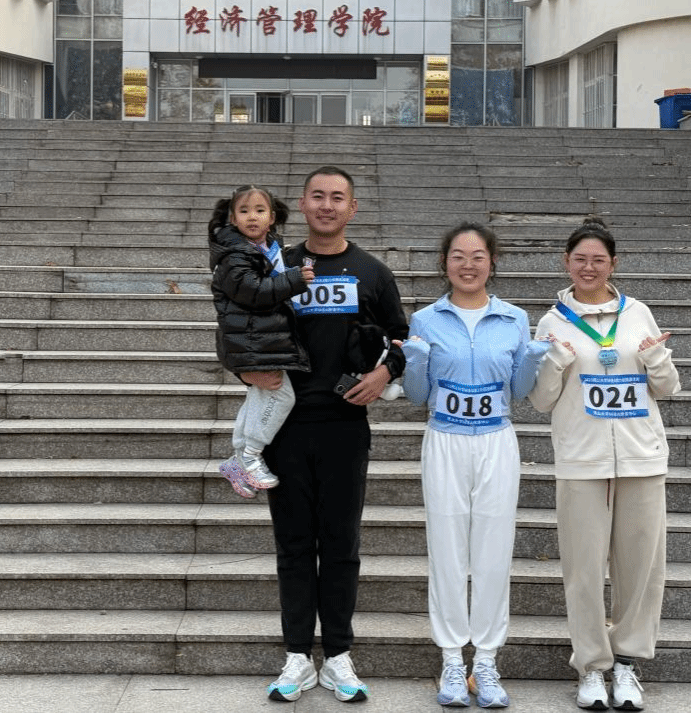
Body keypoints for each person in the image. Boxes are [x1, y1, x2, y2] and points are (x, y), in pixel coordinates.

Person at [240, 165, 408, 704]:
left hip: (344, 427)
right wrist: (245, 371)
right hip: (283, 428)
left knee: (340, 545)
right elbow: (238, 327)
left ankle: (336, 655)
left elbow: (403, 338)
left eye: (338, 197)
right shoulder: (276, 265)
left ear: (352, 208)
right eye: (318, 196)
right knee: (293, 545)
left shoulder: (372, 272)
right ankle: (297, 656)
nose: (327, 205)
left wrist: (384, 373)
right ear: (303, 203)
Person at [529, 217, 680, 712]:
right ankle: (592, 666)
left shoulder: (638, 313)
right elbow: (541, 401)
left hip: (641, 456)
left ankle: (628, 663)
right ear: (565, 263)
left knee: (642, 567)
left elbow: (668, 388)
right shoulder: (551, 322)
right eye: (580, 259)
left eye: (598, 259)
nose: (589, 267)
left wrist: (656, 359)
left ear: (613, 264)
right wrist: (556, 362)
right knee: (583, 568)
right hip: (581, 458)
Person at [402, 222, 549, 709]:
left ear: (492, 261)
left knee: (493, 550)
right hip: (444, 438)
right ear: (445, 262)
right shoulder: (425, 319)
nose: (468, 265)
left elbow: (519, 392)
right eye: (458, 256)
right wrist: (415, 362)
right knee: (445, 549)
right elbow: (417, 395)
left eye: (478, 256)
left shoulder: (513, 318)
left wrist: (532, 361)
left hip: (495, 440)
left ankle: (485, 661)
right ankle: (450, 658)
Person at [207, 184, 315, 499]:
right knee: (281, 397)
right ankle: (250, 454)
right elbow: (253, 292)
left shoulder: (265, 248)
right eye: (244, 211)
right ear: (232, 218)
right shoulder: (234, 255)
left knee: (259, 396)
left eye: (259, 210)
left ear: (272, 217)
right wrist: (294, 279)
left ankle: (237, 458)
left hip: (260, 338)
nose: (252, 217)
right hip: (252, 341)